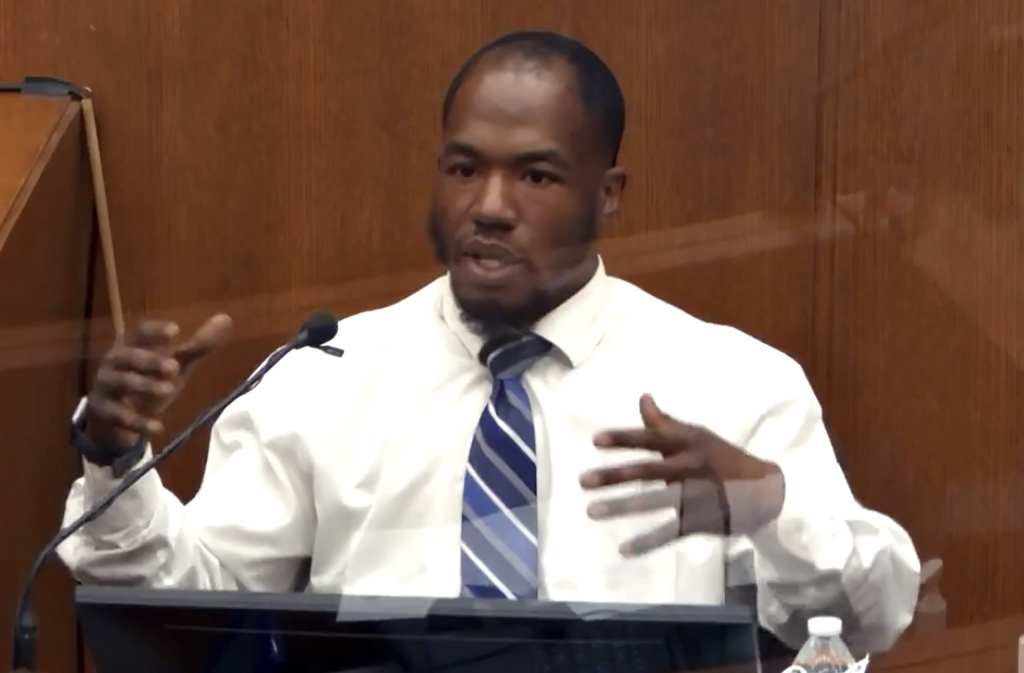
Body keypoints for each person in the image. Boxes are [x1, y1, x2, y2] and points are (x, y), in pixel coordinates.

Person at [58, 31, 920, 652]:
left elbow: (873, 613)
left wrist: (770, 503)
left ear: (607, 193)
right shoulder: (325, 375)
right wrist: (115, 459)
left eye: (536, 174)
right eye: (465, 167)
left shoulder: (731, 382)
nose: (491, 205)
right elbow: (192, 608)